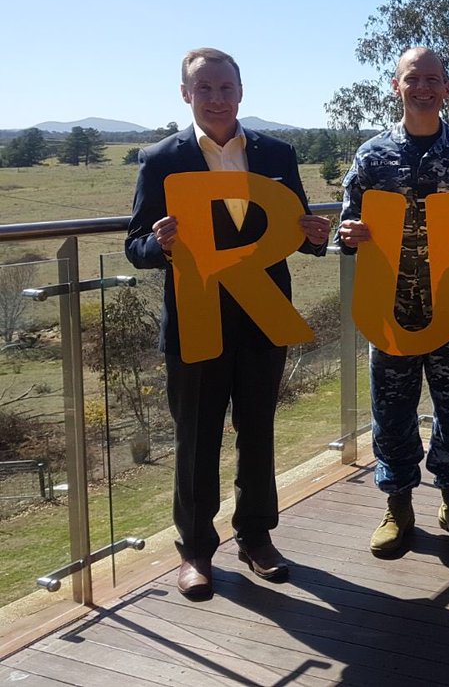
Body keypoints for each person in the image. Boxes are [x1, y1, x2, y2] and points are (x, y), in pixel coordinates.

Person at [126, 47, 330, 599]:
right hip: (197, 320)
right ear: (185, 94)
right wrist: (159, 244)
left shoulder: (277, 153)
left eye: (225, 88)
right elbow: (135, 245)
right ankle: (195, 550)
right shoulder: (160, 159)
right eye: (205, 89)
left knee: (258, 429)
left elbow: (298, 232)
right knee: (196, 437)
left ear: (241, 92)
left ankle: (257, 537)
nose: (216, 98)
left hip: (264, 314)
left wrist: (316, 236)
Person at [338, 46, 449, 556]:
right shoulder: (371, 155)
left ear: (447, 88)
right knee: (391, 411)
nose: (424, 87)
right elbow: (347, 225)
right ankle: (397, 506)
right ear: (396, 86)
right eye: (414, 78)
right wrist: (352, 233)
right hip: (388, 307)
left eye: (434, 78)